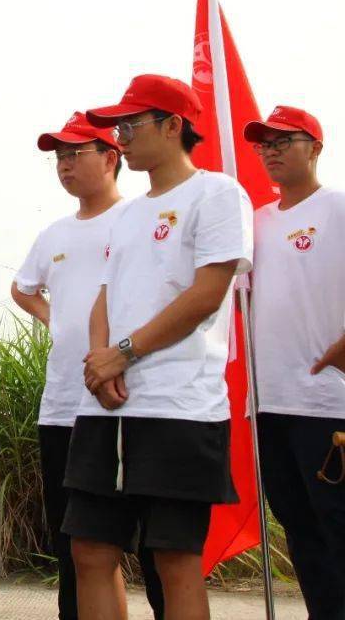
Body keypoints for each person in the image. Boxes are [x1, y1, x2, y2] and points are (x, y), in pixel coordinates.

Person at [70, 75, 253, 620]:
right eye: (117, 126)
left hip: (179, 406)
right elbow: (105, 293)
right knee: (90, 550)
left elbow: (206, 295)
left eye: (131, 124)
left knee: (174, 557)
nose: (120, 137)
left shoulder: (217, 193)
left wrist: (121, 354)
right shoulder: (127, 212)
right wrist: (100, 365)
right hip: (107, 403)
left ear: (174, 125)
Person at [12, 112, 164, 620]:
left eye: (75, 153)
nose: (64, 165)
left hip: (127, 398)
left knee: (152, 539)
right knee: (73, 538)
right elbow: (22, 287)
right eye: (59, 156)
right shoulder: (53, 233)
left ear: (111, 157)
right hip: (62, 404)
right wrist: (54, 318)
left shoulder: (139, 219)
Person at [246, 105, 345, 620]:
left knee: (337, 523)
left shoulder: (337, 208)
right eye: (265, 144)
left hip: (328, 401)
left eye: (285, 141)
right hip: (269, 401)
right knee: (299, 525)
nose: (272, 151)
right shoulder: (256, 223)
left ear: (316, 147)